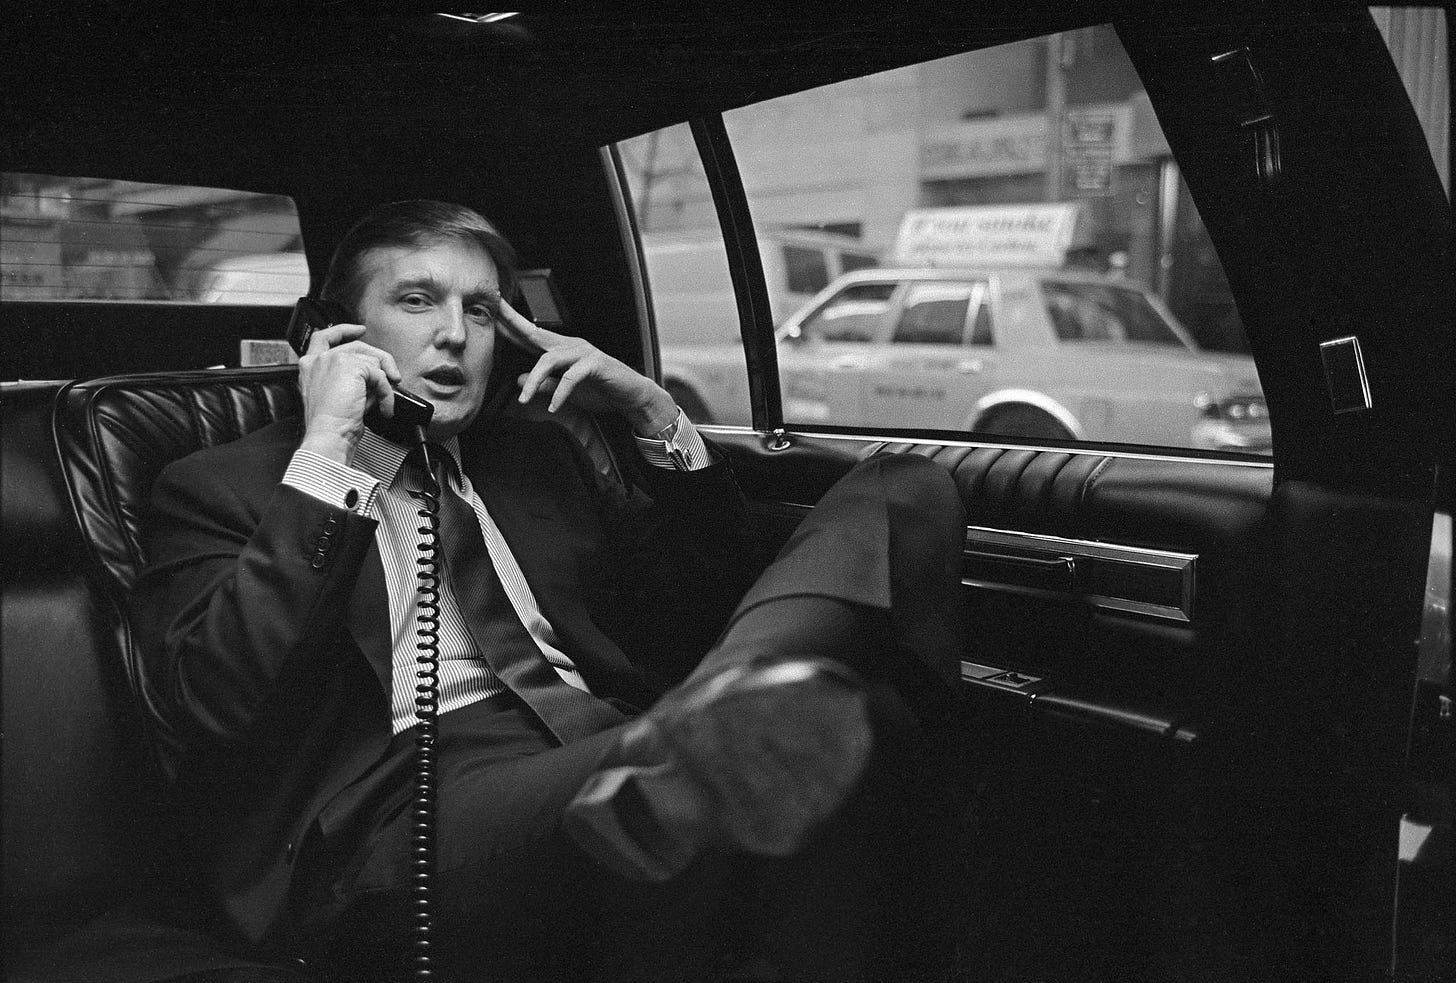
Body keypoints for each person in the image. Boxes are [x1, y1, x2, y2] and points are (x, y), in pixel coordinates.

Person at [129, 200, 971, 982]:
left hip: (611, 737)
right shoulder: (222, 484)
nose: (456, 336)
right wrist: (329, 452)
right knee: (865, 730)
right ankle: (711, 739)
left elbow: (706, 607)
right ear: (330, 333)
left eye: (483, 310)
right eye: (418, 301)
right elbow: (217, 700)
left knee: (903, 488)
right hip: (406, 816)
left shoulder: (536, 456)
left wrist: (652, 413)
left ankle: (716, 727)